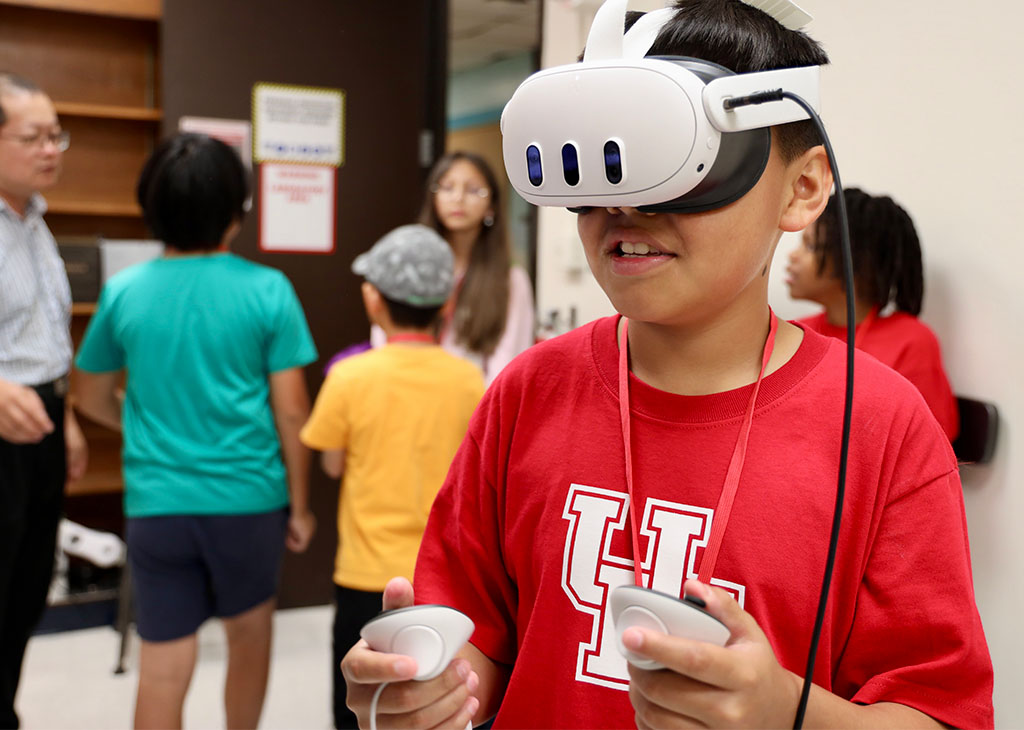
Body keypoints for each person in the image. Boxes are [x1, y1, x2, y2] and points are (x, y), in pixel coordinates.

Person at [340, 3, 994, 729]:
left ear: (802, 188)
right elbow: (479, 640)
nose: (625, 206)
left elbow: (939, 714)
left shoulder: (881, 427)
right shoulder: (527, 393)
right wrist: (427, 688)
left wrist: (786, 712)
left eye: (680, 162)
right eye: (604, 166)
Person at [72, 133, 317, 730]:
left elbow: (90, 396)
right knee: (249, 638)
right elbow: (291, 412)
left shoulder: (123, 291)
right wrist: (302, 507)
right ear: (236, 212)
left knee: (162, 664)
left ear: (150, 208)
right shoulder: (268, 290)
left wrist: (142, 414)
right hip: (248, 500)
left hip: (158, 504)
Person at [301, 224, 485, 729]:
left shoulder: (349, 377)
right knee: (436, 706)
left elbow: (332, 462)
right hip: (442, 577)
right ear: (447, 305)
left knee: (363, 704)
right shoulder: (471, 381)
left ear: (372, 300)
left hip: (365, 572)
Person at [0, 72, 88, 729]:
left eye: (56, 134)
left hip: (46, 417)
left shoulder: (37, 221)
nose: (51, 148)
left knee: (28, 586)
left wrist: (72, 419)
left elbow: (48, 333)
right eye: (34, 137)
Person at [786, 188, 959, 440]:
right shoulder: (795, 333)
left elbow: (933, 443)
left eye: (811, 246)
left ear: (855, 262)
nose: (793, 256)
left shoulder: (910, 341)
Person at [371, 152, 535, 386]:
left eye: (473, 190)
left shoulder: (511, 280)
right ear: (433, 199)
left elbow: (508, 365)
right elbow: (385, 341)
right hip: (406, 396)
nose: (458, 198)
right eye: (447, 188)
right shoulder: (407, 266)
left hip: (474, 409)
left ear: (491, 207)